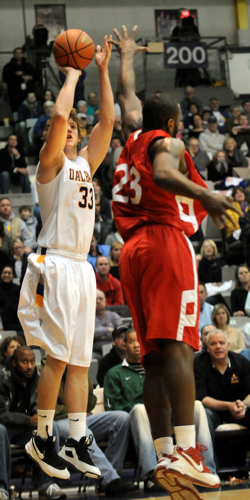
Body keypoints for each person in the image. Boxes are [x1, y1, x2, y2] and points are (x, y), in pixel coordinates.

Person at [112, 25, 237, 495]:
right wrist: (207, 192)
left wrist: (124, 56)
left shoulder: (134, 136)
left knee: (156, 359)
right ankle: (189, 451)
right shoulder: (168, 142)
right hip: (165, 242)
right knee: (181, 348)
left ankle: (166, 452)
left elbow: (128, 97)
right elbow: (164, 175)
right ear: (177, 123)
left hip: (132, 251)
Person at [17, 35, 114, 480]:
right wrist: (72, 71)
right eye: (66, 128)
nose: (70, 127)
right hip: (53, 263)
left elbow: (108, 124)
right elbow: (58, 113)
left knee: (79, 361)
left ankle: (76, 439)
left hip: (82, 268)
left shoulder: (85, 167)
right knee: (57, 358)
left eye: (76, 126)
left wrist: (102, 70)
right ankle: (41, 438)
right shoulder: (49, 166)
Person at [104, 329, 218, 494]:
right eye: (131, 341)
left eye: (138, 340)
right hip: (140, 419)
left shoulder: (168, 367)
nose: (136, 345)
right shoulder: (114, 373)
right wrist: (147, 407)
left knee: (198, 406)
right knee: (139, 409)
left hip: (170, 412)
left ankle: (206, 468)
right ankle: (152, 473)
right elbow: (113, 408)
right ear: (124, 345)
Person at [45, 359, 135, 497]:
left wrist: (82, 378)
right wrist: (75, 409)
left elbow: (90, 402)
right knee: (81, 430)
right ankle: (109, 479)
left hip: (81, 416)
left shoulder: (77, 368)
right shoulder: (45, 370)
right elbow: (52, 408)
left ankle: (107, 479)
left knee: (121, 418)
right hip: (58, 421)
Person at [0, 346, 64, 500]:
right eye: (24, 362)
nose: (29, 366)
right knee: (0, 430)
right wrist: (28, 420)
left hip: (23, 429)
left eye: (32, 362)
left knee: (51, 426)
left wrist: (38, 417)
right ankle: (2, 488)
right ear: (14, 363)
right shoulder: (2, 377)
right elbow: (1, 413)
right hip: (5, 427)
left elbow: (39, 404)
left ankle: (47, 484)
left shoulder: (36, 376)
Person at [194, 329, 250, 446]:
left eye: (222, 343)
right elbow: (202, 398)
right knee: (203, 415)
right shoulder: (198, 364)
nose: (218, 347)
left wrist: (243, 405)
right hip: (213, 412)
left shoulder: (242, 362)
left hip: (239, 409)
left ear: (228, 345)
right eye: (213, 344)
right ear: (207, 347)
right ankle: (209, 463)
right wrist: (228, 406)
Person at [2, 47, 36, 112]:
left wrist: (29, 77)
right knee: (16, 113)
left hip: (27, 94)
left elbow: (35, 77)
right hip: (15, 96)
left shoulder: (28, 66)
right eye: (16, 53)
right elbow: (5, 78)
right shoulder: (8, 67)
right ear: (14, 54)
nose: (18, 54)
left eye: (20, 53)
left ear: (22, 54)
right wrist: (15, 75)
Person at [94, 289, 123, 356]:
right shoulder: (88, 318)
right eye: (95, 299)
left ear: (105, 301)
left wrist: (102, 335)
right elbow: (92, 333)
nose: (98, 301)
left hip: (115, 348)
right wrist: (109, 330)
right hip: (95, 350)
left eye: (100, 298)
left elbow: (121, 332)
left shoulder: (114, 316)